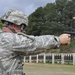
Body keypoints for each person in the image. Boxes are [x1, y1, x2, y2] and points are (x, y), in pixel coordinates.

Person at [0, 9, 70, 75]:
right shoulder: (9, 39)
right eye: (22, 27)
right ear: (15, 25)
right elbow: (35, 44)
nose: (23, 31)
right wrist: (59, 40)